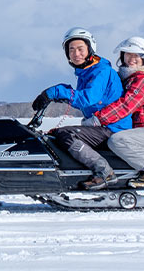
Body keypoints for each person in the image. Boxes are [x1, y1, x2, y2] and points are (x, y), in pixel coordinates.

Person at [33, 27, 132, 190]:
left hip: (113, 127)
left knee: (66, 134)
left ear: (90, 49)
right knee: (55, 134)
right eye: (71, 50)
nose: (76, 53)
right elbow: (83, 98)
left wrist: (56, 91)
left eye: (80, 49)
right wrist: (56, 96)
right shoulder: (86, 72)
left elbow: (88, 98)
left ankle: (104, 172)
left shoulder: (101, 71)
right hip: (103, 125)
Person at [92, 37, 144, 188]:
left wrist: (99, 119)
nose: (131, 59)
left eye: (136, 56)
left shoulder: (143, 79)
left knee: (118, 141)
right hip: (137, 127)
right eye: (128, 55)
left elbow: (126, 105)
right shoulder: (128, 78)